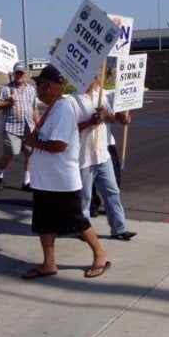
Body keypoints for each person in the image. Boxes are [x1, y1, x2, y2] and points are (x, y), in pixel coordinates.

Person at [22, 65, 111, 279]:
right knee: (43, 223)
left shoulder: (62, 109)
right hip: (45, 180)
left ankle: (101, 254)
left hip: (62, 180)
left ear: (51, 86)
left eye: (40, 84)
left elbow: (59, 146)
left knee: (76, 221)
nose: (38, 89)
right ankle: (49, 264)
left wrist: (34, 141)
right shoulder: (52, 108)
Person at [68, 76, 136, 241]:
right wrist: (90, 122)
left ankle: (119, 228)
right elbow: (69, 129)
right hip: (83, 157)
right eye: (90, 74)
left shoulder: (103, 95)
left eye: (96, 75)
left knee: (112, 192)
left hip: (102, 154)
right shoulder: (72, 100)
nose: (94, 78)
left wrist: (106, 115)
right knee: (85, 198)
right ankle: (84, 230)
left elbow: (113, 119)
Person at [0, 61, 40, 191]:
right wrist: (9, 101)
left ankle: (27, 182)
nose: (19, 75)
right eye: (17, 72)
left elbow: (34, 108)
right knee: (11, 152)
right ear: (13, 73)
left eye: (21, 72)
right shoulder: (6, 89)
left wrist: (39, 125)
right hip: (11, 127)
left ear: (26, 74)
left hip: (28, 127)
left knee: (29, 154)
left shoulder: (31, 89)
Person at [90, 90, 132, 218]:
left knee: (113, 179)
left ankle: (113, 208)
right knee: (89, 180)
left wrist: (123, 118)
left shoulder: (106, 94)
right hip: (88, 144)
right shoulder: (78, 95)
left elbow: (115, 116)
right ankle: (92, 204)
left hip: (106, 142)